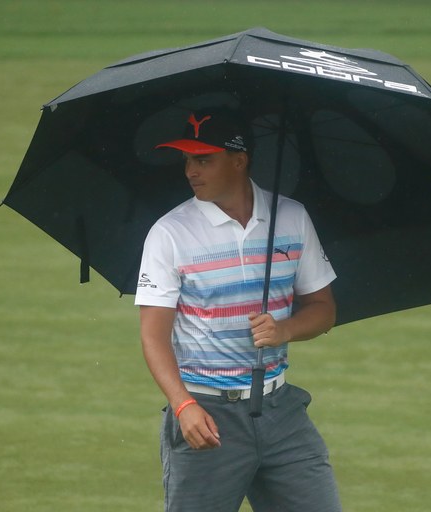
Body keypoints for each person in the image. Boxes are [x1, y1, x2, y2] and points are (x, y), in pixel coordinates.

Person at [135, 108, 342, 512]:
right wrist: (183, 405)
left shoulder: (292, 217)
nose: (191, 171)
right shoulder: (169, 234)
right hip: (205, 415)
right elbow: (152, 335)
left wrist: (285, 330)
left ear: (239, 159)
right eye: (188, 161)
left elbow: (323, 309)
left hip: (281, 412)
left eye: (204, 159)